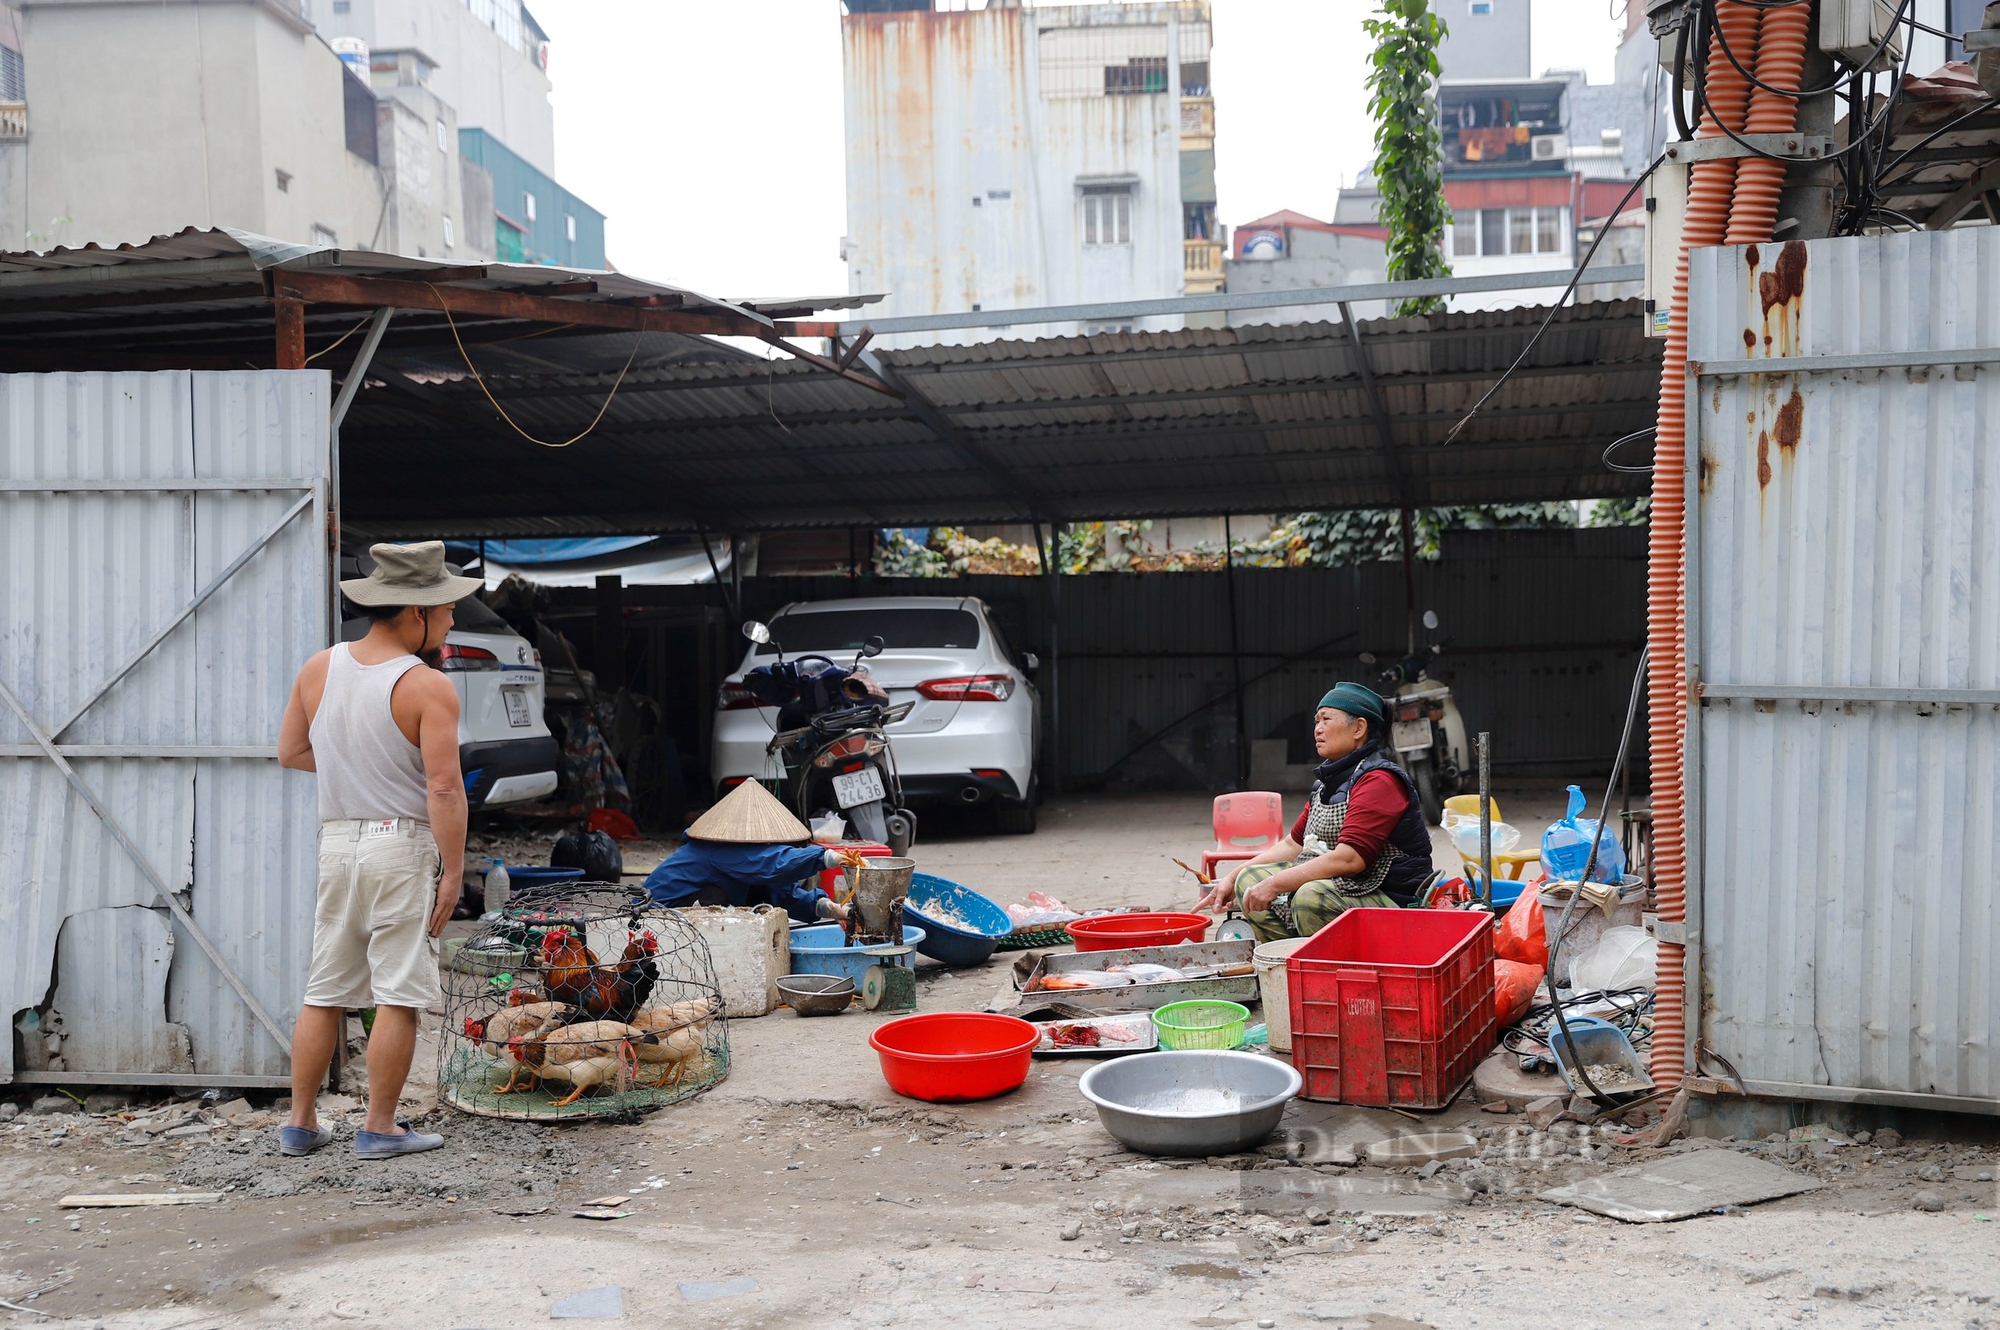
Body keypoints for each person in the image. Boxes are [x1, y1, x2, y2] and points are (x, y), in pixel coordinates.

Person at [275, 542, 478, 1159]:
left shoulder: (319, 667)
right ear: (416, 612)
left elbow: (290, 752)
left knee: (325, 988)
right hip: (401, 844)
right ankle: (381, 1127)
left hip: (337, 840)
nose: (450, 621)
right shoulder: (427, 686)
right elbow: (443, 787)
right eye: (445, 610)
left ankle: (301, 1124)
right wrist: (453, 871)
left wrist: (353, 771)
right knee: (399, 989)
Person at [1197, 682, 1433, 943]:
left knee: (1311, 898)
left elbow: (1349, 860)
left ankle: (1327, 969)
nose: (1318, 729)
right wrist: (1232, 876)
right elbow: (1292, 844)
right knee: (1249, 880)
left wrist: (1275, 884)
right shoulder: (1326, 782)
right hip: (1347, 888)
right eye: (1316, 721)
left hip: (1392, 899)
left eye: (1326, 720)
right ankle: (1289, 959)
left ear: (1358, 728)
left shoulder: (1379, 779)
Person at [641, 778, 857, 925]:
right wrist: (828, 856)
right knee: (720, 898)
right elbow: (774, 865)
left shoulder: (747, 858)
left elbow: (784, 893)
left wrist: (830, 909)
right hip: (655, 917)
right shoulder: (717, 849)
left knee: (761, 895)